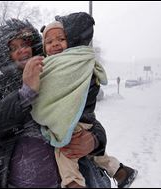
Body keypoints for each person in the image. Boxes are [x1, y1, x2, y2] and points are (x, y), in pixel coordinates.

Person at [0, 18, 109, 188]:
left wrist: (94, 140)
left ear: (35, 46)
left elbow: (84, 118)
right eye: (13, 48)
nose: (22, 51)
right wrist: (25, 94)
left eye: (25, 44)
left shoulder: (55, 77)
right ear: (3, 56)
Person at [32, 12, 138, 188]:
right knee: (94, 155)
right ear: (43, 47)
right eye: (49, 42)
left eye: (61, 39)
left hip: (74, 121)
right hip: (82, 121)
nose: (55, 44)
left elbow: (61, 91)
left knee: (65, 152)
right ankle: (120, 171)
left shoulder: (73, 61)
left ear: (71, 41)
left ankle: (73, 183)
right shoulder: (47, 65)